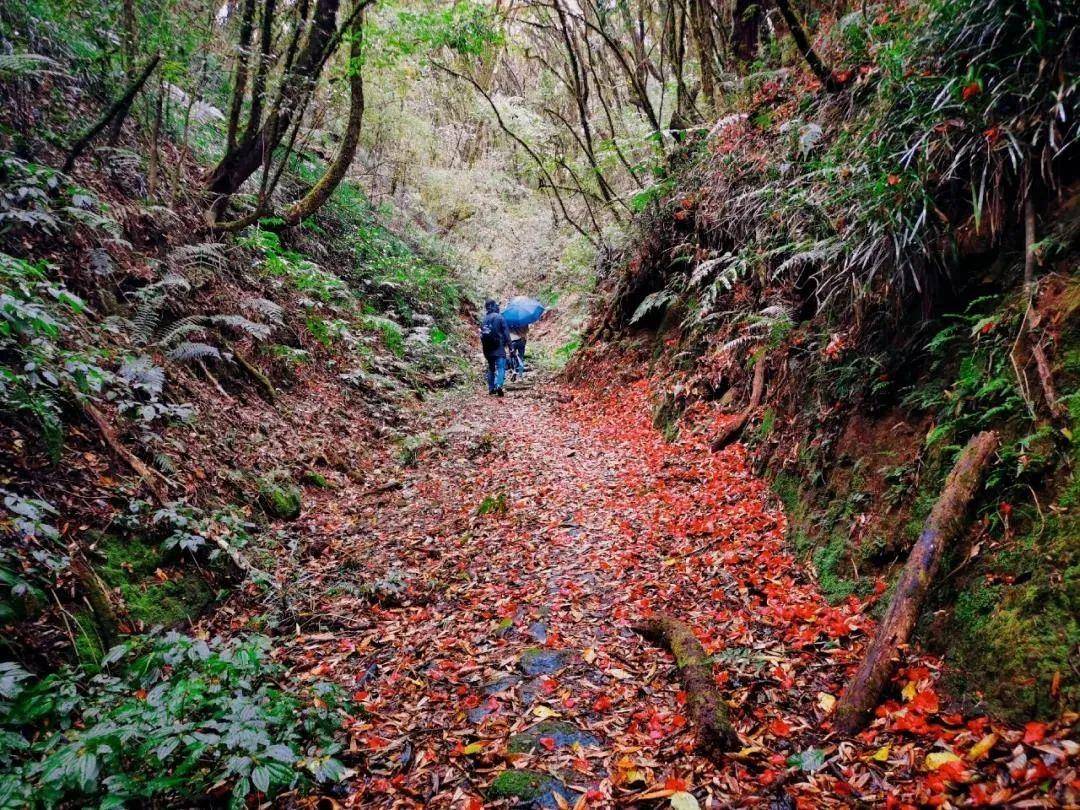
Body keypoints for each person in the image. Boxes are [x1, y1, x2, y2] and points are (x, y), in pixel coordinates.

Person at [479, 299, 511, 395]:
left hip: (487, 349)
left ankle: (491, 388)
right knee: (501, 367)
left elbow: (482, 335)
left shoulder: (484, 319)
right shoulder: (500, 318)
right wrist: (511, 348)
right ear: (493, 306)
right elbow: (506, 334)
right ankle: (498, 386)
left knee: (491, 368)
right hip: (499, 348)